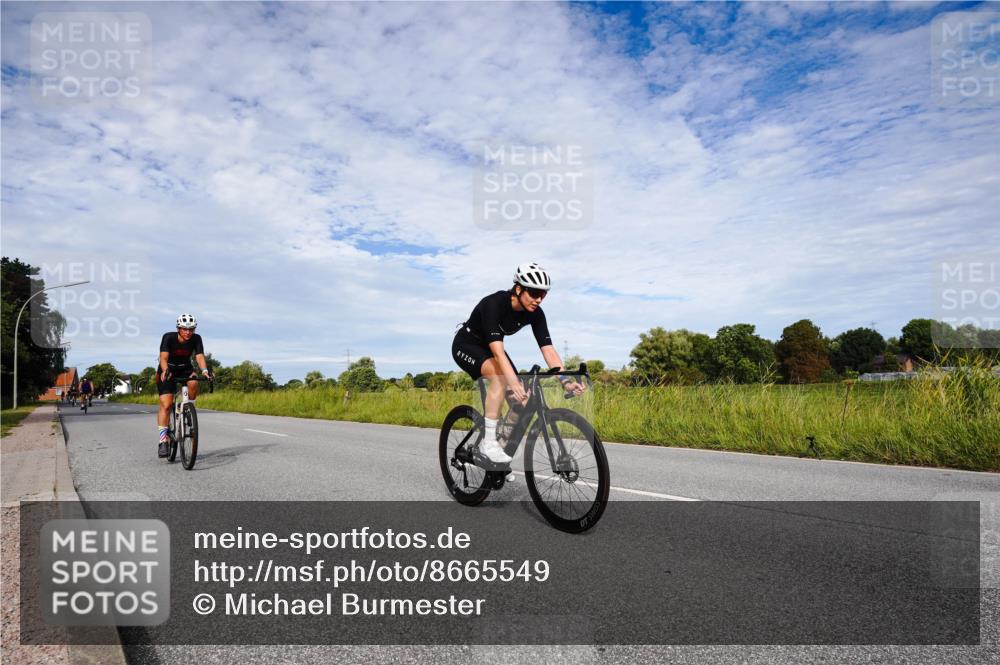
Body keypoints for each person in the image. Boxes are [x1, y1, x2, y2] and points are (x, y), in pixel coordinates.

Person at [452, 262, 584, 467]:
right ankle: (489, 444)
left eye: (543, 295)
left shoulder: (536, 313)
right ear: (519, 289)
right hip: (467, 344)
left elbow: (549, 351)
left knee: (522, 401)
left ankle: (499, 454)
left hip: (491, 349)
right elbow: (498, 352)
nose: (538, 299)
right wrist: (512, 382)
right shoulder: (494, 304)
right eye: (534, 293)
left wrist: (565, 380)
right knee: (501, 379)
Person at [156, 313, 211, 458]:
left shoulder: (196, 338)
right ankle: (163, 440)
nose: (188, 332)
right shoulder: (168, 337)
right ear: (178, 328)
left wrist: (205, 371)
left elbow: (199, 356)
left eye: (191, 329)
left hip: (185, 368)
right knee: (166, 404)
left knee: (193, 381)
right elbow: (163, 358)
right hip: (167, 369)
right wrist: (165, 370)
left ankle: (187, 407)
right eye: (185, 329)